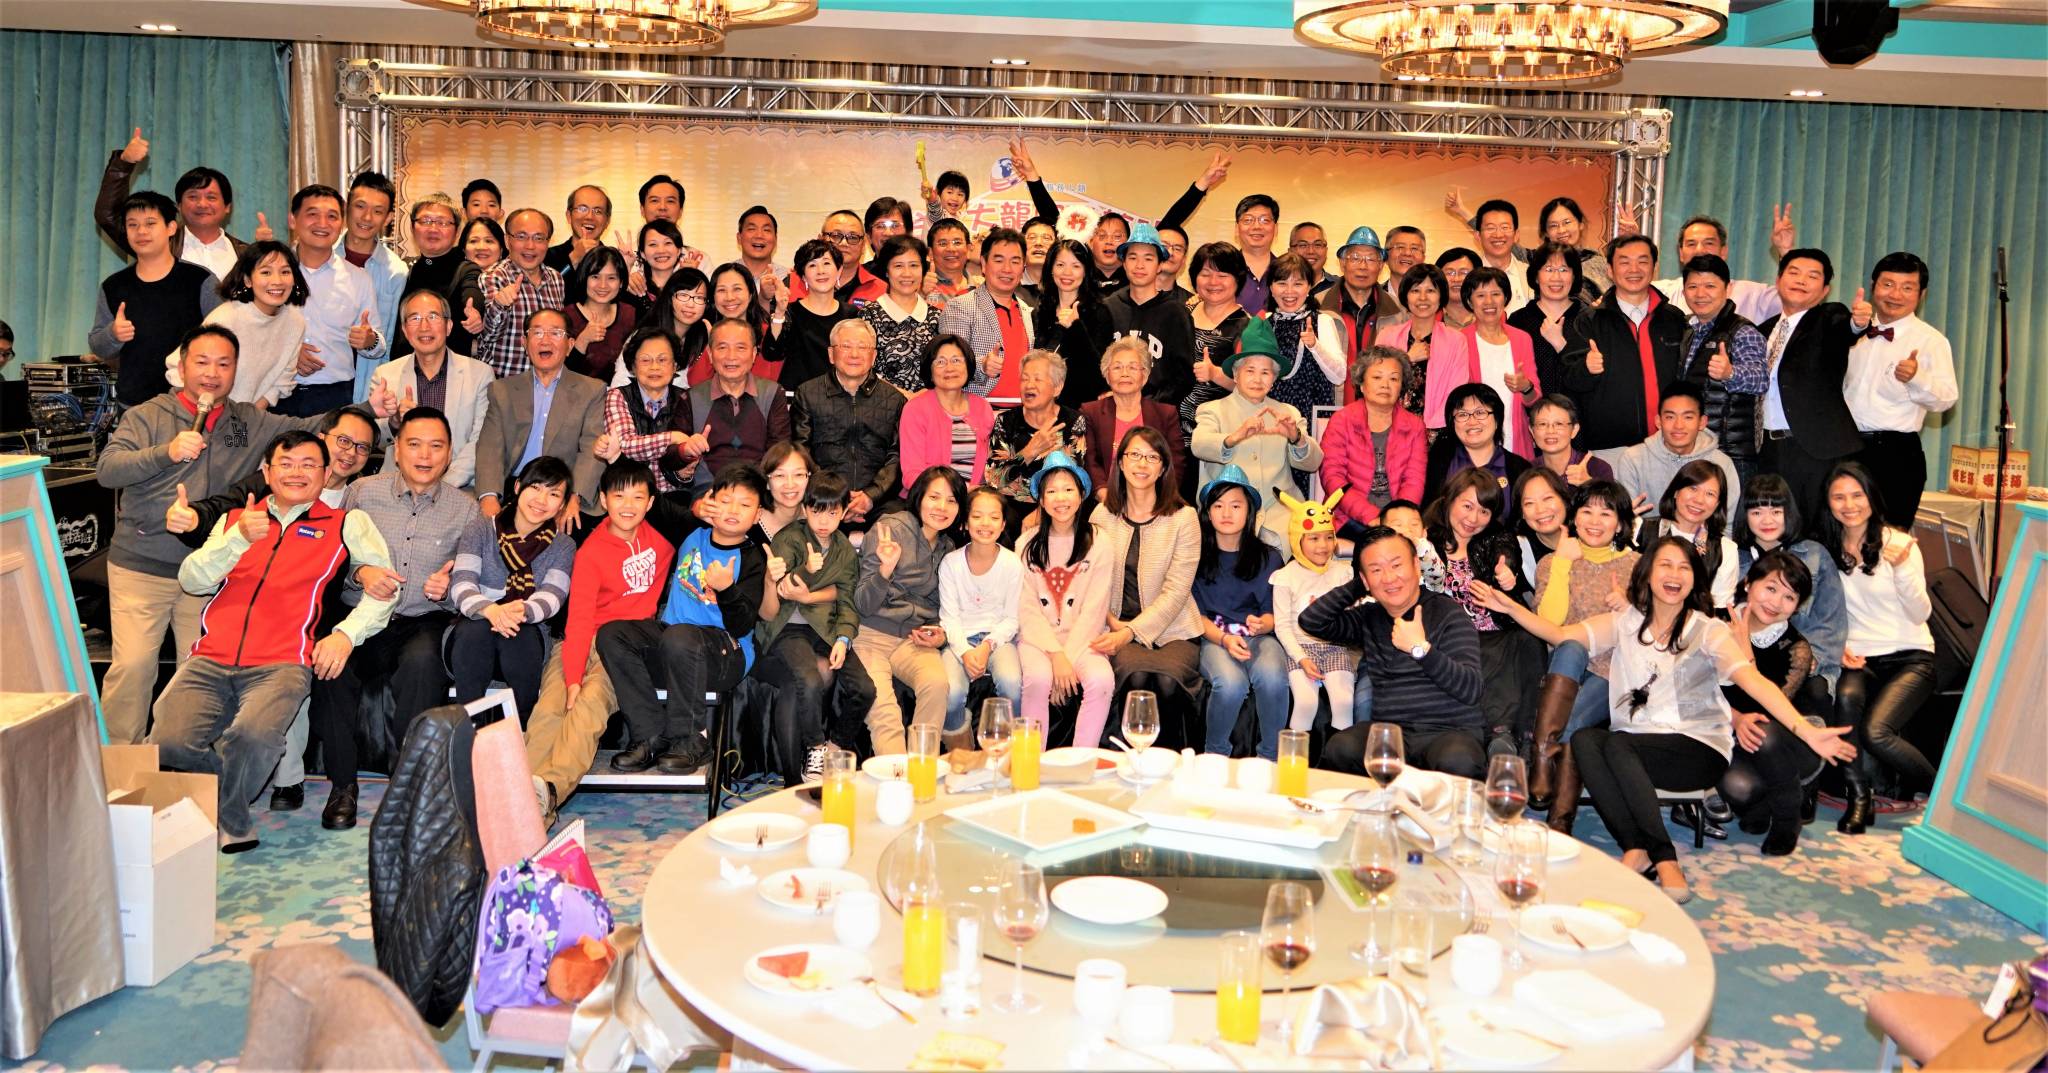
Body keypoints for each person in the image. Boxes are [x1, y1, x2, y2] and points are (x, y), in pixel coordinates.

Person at [1469, 537, 1855, 901]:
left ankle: (1665, 859)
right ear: (1648, 574)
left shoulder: (1708, 630)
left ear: (1694, 579)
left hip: (1697, 747)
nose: (1674, 574)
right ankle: (1636, 848)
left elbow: (1752, 681)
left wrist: (1805, 730)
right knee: (1585, 740)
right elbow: (1560, 634)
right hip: (1638, 747)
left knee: (1616, 743)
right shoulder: (1624, 622)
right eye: (1665, 565)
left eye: (1684, 567)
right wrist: (1512, 608)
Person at [147, 429, 395, 852]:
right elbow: (193, 580)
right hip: (211, 656)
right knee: (166, 743)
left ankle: (230, 818)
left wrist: (344, 635)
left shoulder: (346, 523)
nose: (297, 473)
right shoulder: (235, 521)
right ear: (266, 471)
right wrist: (239, 539)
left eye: (309, 464)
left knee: (254, 737)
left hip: (282, 663)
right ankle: (226, 799)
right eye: (286, 463)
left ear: (326, 473)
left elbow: (385, 590)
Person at [95, 325, 334, 743]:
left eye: (224, 364)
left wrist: (373, 409)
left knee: (198, 674)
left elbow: (312, 424)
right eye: (202, 362)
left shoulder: (245, 422)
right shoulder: (147, 416)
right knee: (133, 668)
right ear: (182, 365)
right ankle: (120, 764)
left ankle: (184, 760)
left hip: (210, 573)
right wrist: (166, 452)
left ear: (236, 370)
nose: (212, 373)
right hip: (143, 566)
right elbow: (107, 469)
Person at [311, 407, 477, 829]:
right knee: (332, 666)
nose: (425, 455)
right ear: (396, 450)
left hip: (424, 618)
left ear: (449, 454)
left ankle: (406, 784)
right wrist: (360, 573)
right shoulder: (363, 492)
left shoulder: (466, 509)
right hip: (361, 615)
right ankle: (342, 786)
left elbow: (475, 575)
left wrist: (451, 583)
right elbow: (333, 557)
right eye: (414, 444)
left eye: (436, 446)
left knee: (423, 666)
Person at [600, 463, 773, 775]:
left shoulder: (753, 556)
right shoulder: (692, 532)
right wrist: (616, 458)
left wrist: (726, 589)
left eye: (745, 505)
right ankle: (650, 735)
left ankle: (692, 738)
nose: (733, 511)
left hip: (725, 654)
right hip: (673, 642)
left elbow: (743, 625)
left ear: (758, 514)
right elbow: (652, 503)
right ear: (711, 501)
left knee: (680, 636)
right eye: (725, 500)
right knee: (613, 634)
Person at [525, 461, 672, 822]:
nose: (628, 505)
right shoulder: (590, 551)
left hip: (621, 649)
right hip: (578, 640)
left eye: (637, 497)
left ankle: (549, 790)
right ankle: (520, 796)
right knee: (551, 706)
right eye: (619, 496)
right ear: (603, 500)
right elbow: (578, 619)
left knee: (589, 705)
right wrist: (573, 676)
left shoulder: (663, 543)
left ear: (651, 503)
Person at [1305, 527, 1487, 779]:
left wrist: (1420, 649)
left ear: (1416, 566)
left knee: (1458, 760)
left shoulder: (1448, 613)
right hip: (1392, 734)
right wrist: (1361, 585)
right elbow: (1312, 621)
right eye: (1376, 570)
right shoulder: (1370, 616)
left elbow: (1471, 689)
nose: (1389, 578)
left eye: (1396, 565)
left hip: (1449, 732)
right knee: (1341, 748)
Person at [1818, 462, 1939, 833]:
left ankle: (1941, 790)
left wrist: (1900, 569)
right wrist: (1838, 647)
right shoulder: (1826, 550)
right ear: (1828, 503)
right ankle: (1859, 797)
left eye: (1857, 495)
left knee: (1876, 732)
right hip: (1861, 656)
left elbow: (1921, 613)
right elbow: (1827, 610)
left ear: (1872, 498)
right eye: (1839, 497)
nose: (1849, 505)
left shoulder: (1897, 543)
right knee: (1845, 699)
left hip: (1910, 655)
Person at [1520, 479, 1639, 824]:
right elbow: (1550, 622)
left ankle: (1543, 766)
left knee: (1568, 723)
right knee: (1571, 646)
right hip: (1564, 667)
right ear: (1574, 517)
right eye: (1587, 511)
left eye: (1606, 513)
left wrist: (1629, 607)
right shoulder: (1551, 563)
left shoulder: (1638, 565)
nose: (1595, 521)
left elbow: (1653, 630)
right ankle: (1560, 820)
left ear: (1621, 523)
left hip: (1613, 671)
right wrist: (1562, 563)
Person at [1091, 426, 1207, 749]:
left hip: (1175, 629)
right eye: (1135, 455)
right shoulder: (1102, 515)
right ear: (1121, 463)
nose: (1142, 464)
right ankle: (1128, 760)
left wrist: (1130, 632)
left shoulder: (1184, 518)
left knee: (1167, 682)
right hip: (1116, 625)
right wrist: (1111, 622)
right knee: (1137, 676)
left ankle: (1168, 764)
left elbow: (1177, 591)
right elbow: (1091, 581)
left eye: (1152, 457)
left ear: (1163, 467)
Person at [755, 471, 872, 783]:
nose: (824, 521)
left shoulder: (844, 550)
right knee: (809, 678)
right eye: (817, 511)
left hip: (827, 629)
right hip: (786, 628)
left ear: (844, 513)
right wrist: (806, 569)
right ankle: (815, 747)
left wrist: (844, 639)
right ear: (805, 509)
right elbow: (783, 589)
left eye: (833, 513)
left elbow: (847, 599)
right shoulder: (790, 538)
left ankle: (835, 746)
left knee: (864, 689)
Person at [1717, 550, 1833, 856]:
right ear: (1747, 583)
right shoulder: (1716, 623)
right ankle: (1764, 804)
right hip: (1732, 729)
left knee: (1763, 731)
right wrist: (1734, 717)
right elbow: (1697, 690)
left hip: (1791, 739)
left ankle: (1787, 818)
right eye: (1770, 588)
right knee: (1738, 787)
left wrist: (1746, 652)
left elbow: (1769, 708)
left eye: (1789, 597)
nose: (1776, 602)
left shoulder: (1796, 648)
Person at [1419, 468, 1540, 757]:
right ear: (1449, 500)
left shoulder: (1492, 537)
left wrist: (1506, 571)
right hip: (1453, 637)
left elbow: (1506, 550)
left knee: (1530, 642)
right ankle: (1500, 734)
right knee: (1479, 649)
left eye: (1484, 511)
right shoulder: (1427, 540)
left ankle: (1527, 736)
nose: (1473, 519)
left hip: (1500, 630)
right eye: (1467, 506)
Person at [446, 455, 577, 723]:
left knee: (520, 637)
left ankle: (522, 730)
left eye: (553, 494)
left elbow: (553, 597)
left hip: (526, 629)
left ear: (562, 504)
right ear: (518, 487)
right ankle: (471, 729)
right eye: (535, 487)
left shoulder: (563, 545)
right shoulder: (480, 530)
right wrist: (492, 611)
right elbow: (461, 584)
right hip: (474, 626)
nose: (541, 500)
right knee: (475, 633)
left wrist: (518, 611)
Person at [853, 465, 970, 754]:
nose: (942, 507)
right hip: (871, 634)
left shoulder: (947, 547)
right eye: (934, 497)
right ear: (919, 497)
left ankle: (921, 770)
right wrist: (885, 570)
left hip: (913, 639)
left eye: (951, 500)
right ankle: (894, 776)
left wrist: (940, 633)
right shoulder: (890, 529)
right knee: (885, 714)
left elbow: (943, 608)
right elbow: (862, 603)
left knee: (937, 684)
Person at [1756, 248, 1873, 515]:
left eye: (1812, 276)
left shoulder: (1828, 317)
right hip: (1768, 448)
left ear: (1825, 290)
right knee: (1775, 525)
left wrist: (1858, 323)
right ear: (1778, 280)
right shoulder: (1764, 330)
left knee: (1816, 527)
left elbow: (1847, 329)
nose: (1801, 280)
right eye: (1794, 273)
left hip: (1815, 449)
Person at [1844, 252, 1958, 526]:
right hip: (1844, 447)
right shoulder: (1853, 331)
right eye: (1888, 284)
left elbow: (1946, 398)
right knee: (1839, 535)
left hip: (1894, 454)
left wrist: (1917, 377)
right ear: (1873, 286)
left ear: (1922, 294)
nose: (1895, 294)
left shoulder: (1931, 340)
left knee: (1889, 538)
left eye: (1907, 287)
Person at [1191, 319, 1323, 545]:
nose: (1257, 379)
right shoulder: (1212, 410)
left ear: (1274, 379)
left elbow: (1313, 463)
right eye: (1250, 370)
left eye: (1265, 372)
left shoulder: (1287, 413)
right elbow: (1199, 445)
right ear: (1235, 375)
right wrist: (1234, 437)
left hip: (1280, 514)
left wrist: (1296, 438)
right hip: (1227, 514)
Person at [1017, 454, 1117, 748]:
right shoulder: (1025, 544)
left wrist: (1067, 661)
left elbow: (1095, 610)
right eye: (1051, 491)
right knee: (1038, 678)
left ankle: (1081, 758)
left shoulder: (1099, 542)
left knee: (1101, 680)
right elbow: (1027, 610)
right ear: (1041, 499)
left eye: (1068, 489)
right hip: (1038, 642)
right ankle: (1030, 758)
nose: (1060, 498)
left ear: (1081, 494)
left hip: (1084, 639)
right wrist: (1055, 657)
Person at [90, 191, 224, 405]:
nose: (141, 231)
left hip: (190, 403)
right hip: (133, 405)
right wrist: (113, 334)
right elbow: (98, 345)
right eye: (132, 225)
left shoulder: (200, 280)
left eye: (150, 223)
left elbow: (224, 339)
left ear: (171, 227)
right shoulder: (113, 286)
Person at [1560, 234, 1686, 460]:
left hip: (1669, 444)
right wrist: (1586, 368)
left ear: (1654, 267)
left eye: (1642, 261)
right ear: (1610, 270)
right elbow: (1569, 379)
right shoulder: (1590, 320)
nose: (1634, 269)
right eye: (1624, 262)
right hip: (1610, 448)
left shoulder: (1674, 319)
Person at [1190, 467, 1287, 757]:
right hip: (1214, 638)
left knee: (1273, 678)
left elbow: (1275, 614)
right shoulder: (1195, 557)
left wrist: (1262, 625)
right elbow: (1195, 616)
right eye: (1218, 506)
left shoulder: (1269, 557)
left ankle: (1270, 758)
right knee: (1231, 685)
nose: (1226, 513)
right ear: (1208, 513)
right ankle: (1215, 754)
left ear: (1249, 512)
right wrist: (1223, 639)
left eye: (1236, 506)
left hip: (1260, 638)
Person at [475, 307, 607, 517]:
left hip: (564, 490)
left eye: (555, 333)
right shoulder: (502, 390)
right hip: (514, 488)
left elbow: (592, 448)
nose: (545, 340)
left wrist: (574, 497)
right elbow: (490, 448)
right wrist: (489, 497)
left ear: (570, 345)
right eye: (536, 332)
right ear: (524, 343)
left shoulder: (592, 390)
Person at [1734, 473, 1847, 695]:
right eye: (1757, 512)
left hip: (1807, 663)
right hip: (1743, 660)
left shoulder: (1814, 554)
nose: (1767, 521)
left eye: (1776, 512)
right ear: (1745, 516)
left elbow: (1831, 620)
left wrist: (1811, 659)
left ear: (1789, 513)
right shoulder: (1733, 558)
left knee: (1814, 693)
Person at [369, 289, 495, 490]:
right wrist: (394, 423)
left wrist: (441, 487)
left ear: (448, 326)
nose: (424, 326)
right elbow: (375, 440)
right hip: (398, 487)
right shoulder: (385, 375)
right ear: (405, 330)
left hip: (458, 487)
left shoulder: (480, 375)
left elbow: (481, 440)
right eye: (415, 318)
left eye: (433, 317)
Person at [278, 184, 386, 416]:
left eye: (332, 216)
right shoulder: (271, 272)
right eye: (313, 214)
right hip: (275, 392)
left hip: (334, 395)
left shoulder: (358, 278)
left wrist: (369, 340)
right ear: (292, 220)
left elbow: (377, 346)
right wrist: (287, 351)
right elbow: (248, 330)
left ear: (342, 224)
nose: (323, 223)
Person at [164, 240, 308, 409]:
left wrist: (247, 416)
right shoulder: (226, 317)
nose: (277, 281)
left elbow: (282, 381)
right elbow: (177, 368)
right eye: (266, 272)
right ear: (247, 280)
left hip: (249, 417)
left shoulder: (295, 322)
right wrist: (212, 413)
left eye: (285, 272)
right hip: (205, 414)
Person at [94, 129, 253, 279]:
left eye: (211, 197)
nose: (202, 204)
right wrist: (123, 164)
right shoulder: (158, 243)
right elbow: (107, 216)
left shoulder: (246, 254)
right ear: (179, 206)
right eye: (193, 197)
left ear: (227, 207)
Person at [792, 317, 905, 528]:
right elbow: (801, 451)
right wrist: (835, 496)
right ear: (831, 354)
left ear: (874, 356)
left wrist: (870, 496)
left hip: (879, 502)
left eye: (862, 347)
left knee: (900, 526)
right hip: (822, 498)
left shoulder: (895, 400)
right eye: (845, 346)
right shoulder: (807, 394)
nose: (854, 354)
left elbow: (897, 456)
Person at [1675, 253, 1769, 488]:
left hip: (1731, 453)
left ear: (1727, 289)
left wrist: (1730, 373)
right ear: (1684, 291)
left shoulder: (1743, 331)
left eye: (1710, 286)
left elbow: (1761, 379)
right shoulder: (1685, 329)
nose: (1700, 293)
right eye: (1693, 287)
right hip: (1692, 449)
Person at [1271, 487, 1357, 739]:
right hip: (1300, 650)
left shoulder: (1343, 573)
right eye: (1313, 538)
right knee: (1306, 703)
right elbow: (1282, 626)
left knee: (1344, 701)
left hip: (1335, 648)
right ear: (1297, 539)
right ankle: (1294, 758)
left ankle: (1338, 757)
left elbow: (1351, 617)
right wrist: (1301, 658)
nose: (1323, 545)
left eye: (1329, 537)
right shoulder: (1285, 577)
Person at [1436, 267, 1542, 458]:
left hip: (1516, 441)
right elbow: (1453, 400)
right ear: (1470, 301)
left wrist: (1526, 387)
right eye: (1480, 295)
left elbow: (1535, 399)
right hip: (1473, 443)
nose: (1489, 302)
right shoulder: (1459, 340)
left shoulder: (1522, 339)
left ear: (1505, 298)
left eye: (1496, 294)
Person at [1322, 347, 1427, 538]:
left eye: (1394, 379)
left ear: (1401, 386)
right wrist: (1371, 516)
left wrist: (1396, 519)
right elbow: (1332, 477)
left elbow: (1414, 480)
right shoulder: (1342, 420)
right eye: (1377, 377)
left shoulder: (1415, 426)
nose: (1385, 385)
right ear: (1361, 385)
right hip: (1348, 518)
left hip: (1397, 520)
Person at [940, 487, 1026, 718]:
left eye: (994, 517)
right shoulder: (950, 563)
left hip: (998, 640)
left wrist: (987, 645)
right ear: (965, 523)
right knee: (951, 694)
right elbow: (949, 618)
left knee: (1011, 684)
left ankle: (1011, 739)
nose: (986, 523)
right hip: (959, 639)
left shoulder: (1012, 563)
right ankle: (960, 736)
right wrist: (965, 652)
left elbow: (1011, 619)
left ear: (1003, 524)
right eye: (977, 516)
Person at [989, 350, 1089, 533]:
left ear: (1057, 387)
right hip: (1010, 509)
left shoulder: (1073, 421)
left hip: (1057, 506)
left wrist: (1041, 512)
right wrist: (1030, 451)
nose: (1029, 385)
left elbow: (1073, 480)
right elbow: (994, 480)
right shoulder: (1005, 421)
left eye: (1037, 379)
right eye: (1025, 378)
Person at [1613, 382, 1742, 522]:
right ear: (1658, 421)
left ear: (1702, 422)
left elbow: (1725, 524)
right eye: (1670, 417)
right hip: (1646, 535)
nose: (1678, 426)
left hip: (1703, 536)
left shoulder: (1721, 463)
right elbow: (1626, 519)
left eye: (1688, 417)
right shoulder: (1633, 459)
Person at [1643, 210, 1796, 325]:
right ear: (1681, 253)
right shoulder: (1664, 293)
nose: (1699, 250)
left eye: (1709, 243)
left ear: (1724, 251)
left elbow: (1796, 303)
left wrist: (1785, 252)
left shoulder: (1752, 295)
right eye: (1691, 244)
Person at [1101, 223, 1196, 407]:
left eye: (1148, 258)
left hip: (1157, 412)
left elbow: (1183, 377)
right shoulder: (1108, 308)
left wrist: (1146, 405)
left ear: (1159, 265)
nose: (1139, 265)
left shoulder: (1176, 313)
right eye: (1133, 257)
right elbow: (1094, 364)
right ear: (1124, 262)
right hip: (1111, 408)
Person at [687, 318, 791, 483]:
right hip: (707, 491)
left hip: (758, 488)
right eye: (722, 347)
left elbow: (779, 451)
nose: (731, 356)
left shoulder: (772, 393)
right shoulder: (691, 397)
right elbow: (673, 457)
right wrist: (684, 454)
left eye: (740, 348)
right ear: (710, 354)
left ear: (754, 354)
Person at [1081, 338, 1187, 502]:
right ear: (1107, 375)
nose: (1125, 373)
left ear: (1145, 375)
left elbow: (1176, 463)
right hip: (1105, 500)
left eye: (1132, 367)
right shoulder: (1090, 412)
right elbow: (1089, 460)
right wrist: (1104, 495)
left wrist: (1159, 499)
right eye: (1117, 367)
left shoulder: (1165, 414)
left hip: (1155, 501)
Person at [601, 327, 699, 495]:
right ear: (633, 366)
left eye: (662, 360)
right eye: (646, 360)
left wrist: (685, 473)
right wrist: (672, 438)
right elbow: (625, 445)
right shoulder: (618, 396)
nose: (654, 367)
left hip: (675, 496)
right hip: (631, 494)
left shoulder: (687, 399)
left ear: (675, 366)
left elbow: (690, 460)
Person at [938, 227, 1034, 399]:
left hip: (1023, 409)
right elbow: (949, 364)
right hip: (976, 408)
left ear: (1023, 266)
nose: (1007, 269)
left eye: (1015, 261)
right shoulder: (959, 307)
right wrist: (982, 366)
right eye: (999, 260)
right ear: (983, 263)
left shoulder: (1027, 311)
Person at [1633, 459, 1740, 608]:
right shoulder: (1638, 529)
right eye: (1693, 488)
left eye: (1710, 494)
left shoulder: (1725, 550)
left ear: (1717, 504)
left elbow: (1719, 609)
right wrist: (1619, 527)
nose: (1699, 500)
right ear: (1676, 491)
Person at [476, 208, 567, 379]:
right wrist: (499, 305)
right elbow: (488, 336)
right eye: (521, 236)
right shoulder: (493, 276)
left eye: (538, 238)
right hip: (503, 382)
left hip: (546, 382)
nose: (530, 246)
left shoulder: (556, 279)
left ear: (548, 242)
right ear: (507, 240)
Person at [394, 195, 485, 359]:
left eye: (442, 223)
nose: (433, 228)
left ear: (457, 232)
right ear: (412, 228)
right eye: (425, 221)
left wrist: (474, 313)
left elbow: (471, 292)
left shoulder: (466, 270)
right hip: (405, 367)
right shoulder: (405, 269)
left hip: (450, 370)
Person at [1374, 264, 1466, 425]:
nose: (1423, 298)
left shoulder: (1456, 340)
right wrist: (1407, 359)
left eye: (1430, 291)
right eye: (1415, 291)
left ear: (1441, 296)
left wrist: (1430, 430)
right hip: (1390, 426)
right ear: (1405, 296)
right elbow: (1375, 382)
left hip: (1439, 429)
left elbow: (1456, 392)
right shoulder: (1387, 336)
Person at [1260, 253, 1348, 421]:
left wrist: (1315, 346)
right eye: (1282, 283)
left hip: (1313, 415)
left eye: (1298, 284)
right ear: (1271, 288)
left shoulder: (1322, 321)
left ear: (1309, 287)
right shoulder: (1263, 323)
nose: (1289, 291)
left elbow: (1339, 377)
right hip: (1271, 417)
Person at [898, 335, 995, 487]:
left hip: (976, 498)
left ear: (968, 366)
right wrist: (954, 494)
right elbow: (912, 474)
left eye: (956, 360)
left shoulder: (982, 407)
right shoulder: (915, 409)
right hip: (931, 497)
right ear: (930, 371)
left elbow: (991, 466)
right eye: (940, 362)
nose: (949, 368)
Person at [1422, 383, 1531, 515]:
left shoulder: (1521, 469)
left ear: (1497, 420)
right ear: (1452, 423)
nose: (1472, 422)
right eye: (1462, 414)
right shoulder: (1434, 464)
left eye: (1480, 413)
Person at [1031, 238, 1113, 408]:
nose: (1067, 272)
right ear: (1051, 269)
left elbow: (1100, 375)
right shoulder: (1040, 311)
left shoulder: (1098, 312)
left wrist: (1075, 327)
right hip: (1041, 406)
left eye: (1076, 266)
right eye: (1060, 265)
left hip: (1079, 409)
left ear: (1085, 271)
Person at [340, 173, 407, 376]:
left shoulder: (396, 271)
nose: (367, 217)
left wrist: (371, 340)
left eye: (377, 211)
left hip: (366, 377)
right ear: (346, 207)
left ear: (388, 218)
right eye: (360, 206)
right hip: (319, 377)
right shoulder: (320, 256)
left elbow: (389, 341)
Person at [1181, 241, 1253, 430]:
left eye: (1222, 275)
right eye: (1205, 274)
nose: (1213, 282)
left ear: (1237, 279)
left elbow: (1254, 387)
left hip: (1218, 430)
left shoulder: (1248, 327)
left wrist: (1214, 374)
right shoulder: (1182, 314)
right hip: (1172, 427)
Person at [1508, 241, 1589, 395]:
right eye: (1549, 269)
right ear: (1536, 276)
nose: (1556, 277)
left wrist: (1562, 345)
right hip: (1530, 408)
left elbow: (1593, 376)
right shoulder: (1518, 320)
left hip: (1577, 409)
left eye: (1564, 269)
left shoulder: (1589, 319)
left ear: (1574, 276)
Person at [861, 236, 940, 395]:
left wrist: (925, 396)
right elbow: (862, 368)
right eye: (898, 266)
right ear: (886, 271)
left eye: (914, 265)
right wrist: (904, 396)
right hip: (883, 404)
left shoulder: (937, 316)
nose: (907, 274)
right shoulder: (869, 315)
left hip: (931, 404)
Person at [777, 238, 854, 391]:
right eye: (812, 265)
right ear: (803, 276)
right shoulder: (791, 312)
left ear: (839, 270)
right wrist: (779, 312)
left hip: (839, 395)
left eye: (826, 263)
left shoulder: (852, 315)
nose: (821, 271)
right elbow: (773, 352)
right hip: (796, 396)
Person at [564, 246, 639, 384]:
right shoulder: (566, 317)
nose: (603, 285)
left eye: (611, 278)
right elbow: (560, 374)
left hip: (619, 395)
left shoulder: (630, 314)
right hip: (575, 395)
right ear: (584, 278)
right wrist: (583, 340)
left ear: (621, 282)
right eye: (595, 277)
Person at [1329, 227, 1403, 367]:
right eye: (1355, 258)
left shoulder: (1399, 310)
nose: (1363, 266)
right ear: (1342, 263)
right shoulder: (1319, 305)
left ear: (1381, 265)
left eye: (1371, 259)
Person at [707, 262, 782, 383]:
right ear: (713, 297)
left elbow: (772, 380)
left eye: (737, 289)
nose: (730, 297)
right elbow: (696, 383)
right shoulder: (704, 332)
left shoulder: (769, 333)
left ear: (750, 294)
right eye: (721, 290)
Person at [794, 209, 885, 305]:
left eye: (853, 237)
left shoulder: (881, 290)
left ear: (864, 245)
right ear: (820, 240)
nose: (844, 243)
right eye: (836, 236)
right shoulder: (792, 283)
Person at [1526, 394, 1613, 488]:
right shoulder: (1526, 472)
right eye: (1542, 424)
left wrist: (1588, 484)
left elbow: (1610, 497)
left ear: (1574, 430)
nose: (1550, 431)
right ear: (1532, 431)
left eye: (1559, 424)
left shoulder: (1598, 469)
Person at [625, 219, 688, 324]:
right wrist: (625, 271)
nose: (661, 250)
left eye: (668, 243)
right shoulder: (635, 289)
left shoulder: (688, 292)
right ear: (643, 254)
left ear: (679, 251)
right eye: (653, 244)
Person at [656, 267, 714, 380]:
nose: (690, 304)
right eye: (683, 295)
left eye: (699, 297)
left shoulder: (706, 338)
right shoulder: (647, 336)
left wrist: (712, 348)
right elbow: (623, 381)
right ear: (669, 297)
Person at [544, 185, 612, 275]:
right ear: (569, 216)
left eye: (598, 211)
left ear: (607, 221)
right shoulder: (546, 256)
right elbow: (548, 283)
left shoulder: (613, 260)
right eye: (582, 209)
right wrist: (573, 259)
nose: (590, 216)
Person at [1231, 194, 1282, 313]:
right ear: (1236, 228)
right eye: (1248, 220)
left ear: (1276, 228)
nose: (1257, 226)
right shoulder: (1222, 270)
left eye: (1265, 220)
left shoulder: (1287, 272)